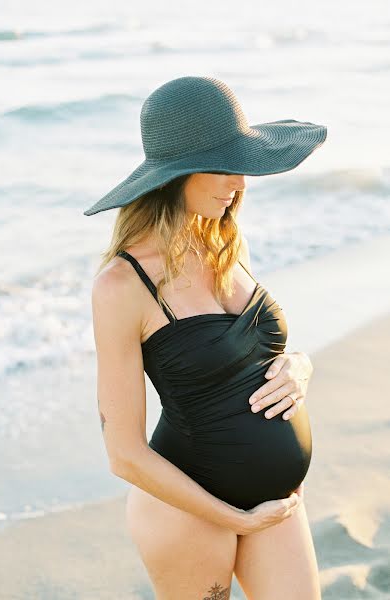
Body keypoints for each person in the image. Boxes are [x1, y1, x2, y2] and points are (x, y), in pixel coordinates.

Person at [84, 76, 327, 599]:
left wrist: (299, 366)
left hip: (276, 500)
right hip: (187, 510)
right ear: (174, 175)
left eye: (243, 165)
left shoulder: (220, 243)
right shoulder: (123, 286)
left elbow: (254, 350)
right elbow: (123, 452)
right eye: (223, 167)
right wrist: (233, 517)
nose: (238, 182)